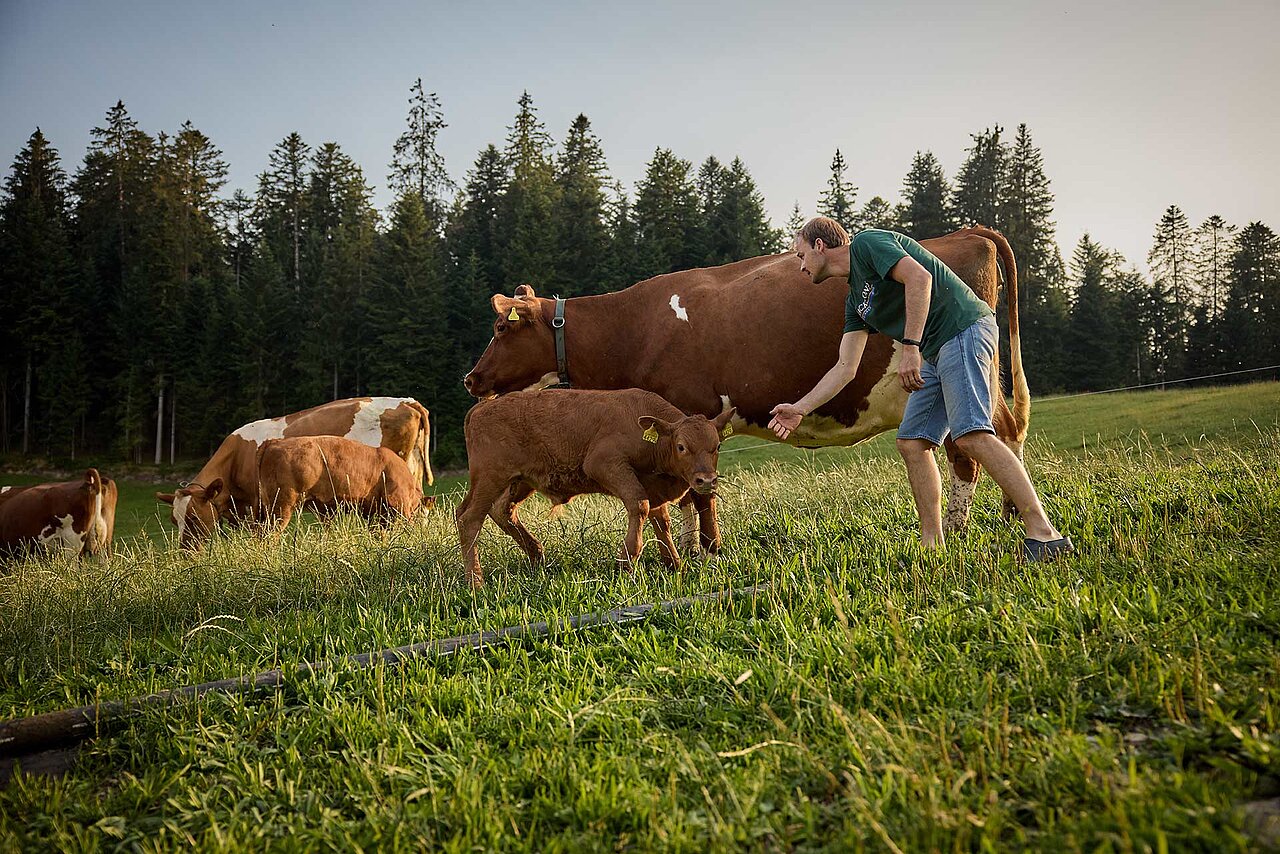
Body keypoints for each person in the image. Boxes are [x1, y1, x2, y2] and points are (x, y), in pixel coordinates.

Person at [768, 217, 1072, 561]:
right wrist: (800, 408)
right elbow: (844, 368)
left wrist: (910, 347)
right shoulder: (856, 302)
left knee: (971, 435)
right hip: (935, 350)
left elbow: (919, 278)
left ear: (820, 246)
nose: (800, 266)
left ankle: (1045, 534)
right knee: (912, 442)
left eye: (801, 255)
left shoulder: (867, 244)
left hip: (963, 329)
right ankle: (932, 545)